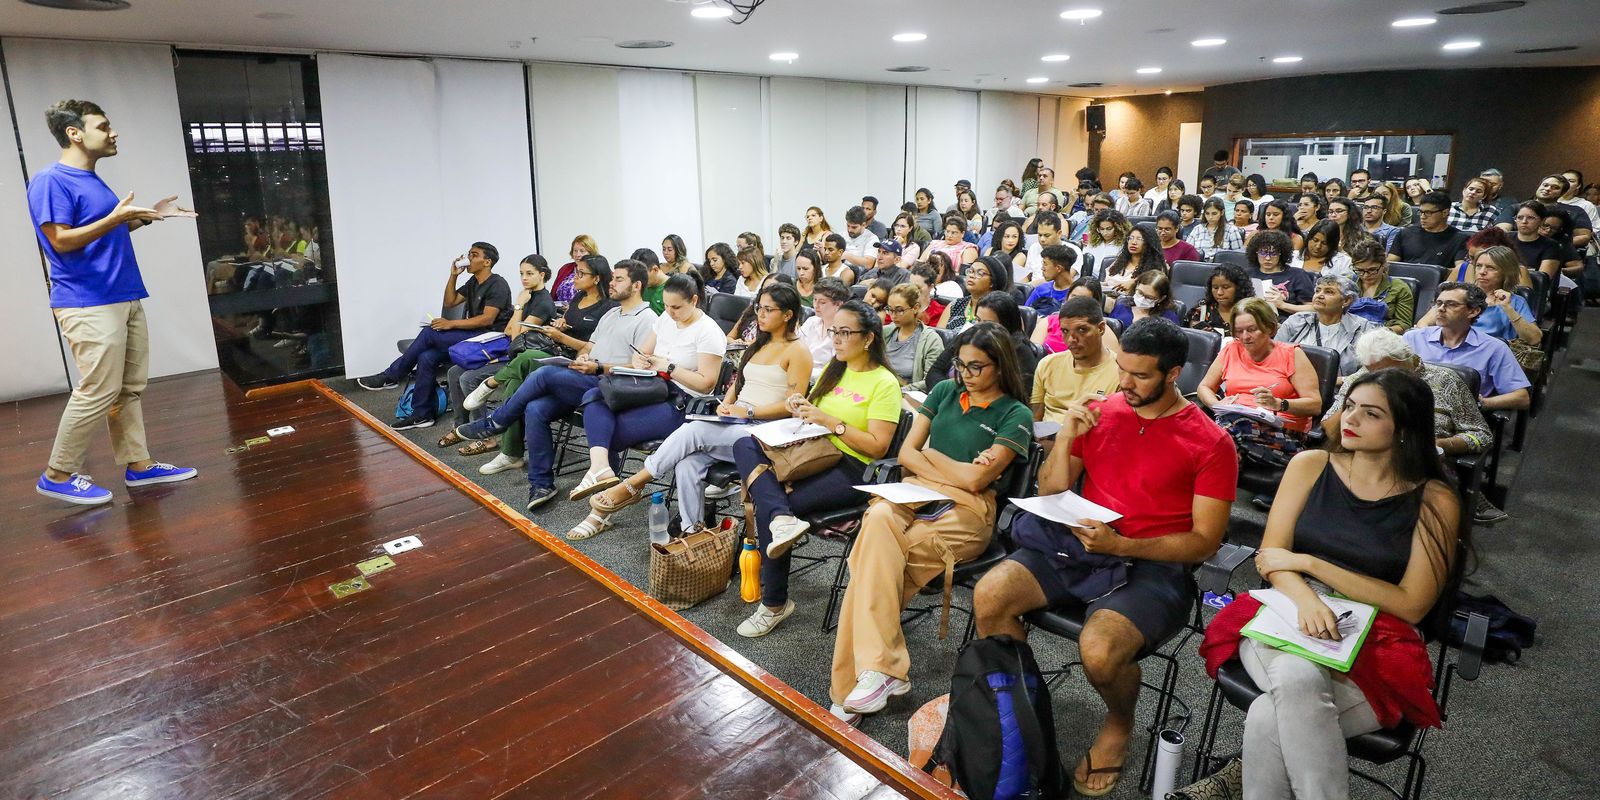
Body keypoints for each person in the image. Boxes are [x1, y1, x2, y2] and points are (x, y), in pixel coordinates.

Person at [973, 318, 1237, 796]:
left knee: (1099, 652)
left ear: (1174, 374)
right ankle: (1022, 710)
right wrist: (1070, 434)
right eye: (1122, 370)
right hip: (1078, 543)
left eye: (1140, 376)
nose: (1125, 384)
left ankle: (1119, 723)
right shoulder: (1104, 411)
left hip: (1150, 563)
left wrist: (1124, 545)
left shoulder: (1211, 443)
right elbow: (1052, 488)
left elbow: (1204, 543)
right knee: (990, 596)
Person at [1203, 367, 1459, 797]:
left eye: (1371, 413)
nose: (1350, 420)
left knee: (1270, 715)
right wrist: (1307, 597)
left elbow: (1412, 604)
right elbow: (1271, 560)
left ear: (1404, 429)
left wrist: (1312, 564)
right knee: (1299, 679)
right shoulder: (1310, 465)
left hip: (1378, 633)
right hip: (1287, 609)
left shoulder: (1435, 499)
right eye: (1350, 406)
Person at [830, 322, 1033, 725]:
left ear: (1000, 366)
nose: (966, 375)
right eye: (961, 365)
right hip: (915, 492)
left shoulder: (1015, 413)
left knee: (873, 562)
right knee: (879, 515)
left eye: (977, 367)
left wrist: (934, 458)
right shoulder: (944, 392)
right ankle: (881, 671)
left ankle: (855, 683)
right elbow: (906, 452)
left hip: (968, 510)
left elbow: (975, 482)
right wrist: (952, 466)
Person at [28, 99, 200, 504]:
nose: (113, 132)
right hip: (88, 302)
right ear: (75, 133)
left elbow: (99, 237)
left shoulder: (91, 180)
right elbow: (59, 241)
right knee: (97, 390)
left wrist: (145, 217)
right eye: (103, 126)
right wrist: (116, 218)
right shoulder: (52, 180)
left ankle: (138, 466)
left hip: (123, 294)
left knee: (128, 389)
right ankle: (57, 474)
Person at [584, 283, 811, 537]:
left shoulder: (798, 351)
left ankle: (633, 484)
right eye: (759, 308)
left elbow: (792, 406)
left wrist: (748, 412)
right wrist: (726, 404)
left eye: (769, 310)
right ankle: (692, 534)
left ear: (788, 315)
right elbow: (738, 383)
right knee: (687, 464)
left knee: (695, 431)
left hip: (765, 431)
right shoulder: (759, 344)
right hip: (737, 422)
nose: (760, 315)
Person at [733, 300, 903, 639]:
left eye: (844, 333)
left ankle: (774, 603)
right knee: (743, 444)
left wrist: (831, 422)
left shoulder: (884, 383)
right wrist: (802, 407)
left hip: (853, 467)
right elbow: (814, 411)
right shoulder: (835, 369)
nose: (835, 339)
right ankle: (782, 518)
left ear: (868, 338)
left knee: (773, 505)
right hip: (812, 450)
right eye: (833, 331)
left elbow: (877, 447)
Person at [453, 260, 658, 511]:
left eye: (618, 279)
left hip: (614, 386)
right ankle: (541, 484)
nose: (611, 283)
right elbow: (589, 347)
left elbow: (639, 366)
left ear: (637, 285)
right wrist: (584, 356)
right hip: (590, 378)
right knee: (535, 409)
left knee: (545, 374)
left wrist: (598, 366)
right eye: (612, 278)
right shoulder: (612, 313)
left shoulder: (647, 319)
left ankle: (497, 421)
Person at [559, 271, 726, 537]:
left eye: (677, 307)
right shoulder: (665, 319)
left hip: (680, 403)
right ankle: (600, 467)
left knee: (605, 430)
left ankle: (599, 510)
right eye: (667, 306)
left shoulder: (708, 332)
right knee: (594, 396)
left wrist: (669, 367)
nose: (670, 312)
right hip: (650, 386)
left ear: (694, 300)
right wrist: (641, 361)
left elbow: (706, 383)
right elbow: (643, 353)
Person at [1323, 327, 1501, 524]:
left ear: (1406, 360)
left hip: (1422, 465)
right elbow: (1330, 428)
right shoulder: (1361, 379)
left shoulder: (1445, 381)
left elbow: (1482, 434)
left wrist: (1442, 443)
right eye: (1369, 369)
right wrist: (1354, 403)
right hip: (1364, 459)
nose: (1376, 377)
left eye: (1383, 370)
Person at [460, 256, 617, 473]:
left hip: (579, 363)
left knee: (526, 358)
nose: (574, 278)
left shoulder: (608, 308)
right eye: (575, 272)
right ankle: (510, 453)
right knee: (516, 382)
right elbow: (516, 334)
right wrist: (561, 327)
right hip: (557, 352)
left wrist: (561, 337)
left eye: (581, 273)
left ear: (597, 278)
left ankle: (491, 386)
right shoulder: (578, 297)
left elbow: (594, 347)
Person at [358, 242, 513, 429]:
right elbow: (450, 302)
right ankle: (422, 414)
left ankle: (392, 375)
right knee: (427, 356)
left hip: (489, 340)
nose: (468, 259)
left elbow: (487, 320)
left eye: (474, 255)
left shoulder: (498, 284)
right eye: (469, 254)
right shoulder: (473, 282)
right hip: (472, 337)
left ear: (487, 262)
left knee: (429, 333)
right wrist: (453, 276)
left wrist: (451, 324)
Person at [443, 254, 556, 450]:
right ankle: (461, 427)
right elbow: (508, 330)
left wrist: (519, 307)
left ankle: (486, 438)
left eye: (530, 274)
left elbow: (516, 339)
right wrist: (519, 312)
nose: (524, 278)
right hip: (512, 354)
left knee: (468, 378)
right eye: (522, 273)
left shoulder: (542, 302)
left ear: (542, 275)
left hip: (524, 361)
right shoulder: (528, 296)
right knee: (454, 372)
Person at [1198, 297, 1323, 461]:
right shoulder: (1231, 349)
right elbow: (1204, 387)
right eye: (1238, 331)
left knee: (1219, 436)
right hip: (1234, 425)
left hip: (1285, 433)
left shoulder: (1292, 354)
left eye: (1251, 329)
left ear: (1270, 328)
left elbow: (1315, 405)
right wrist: (1216, 404)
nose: (1245, 337)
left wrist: (1278, 403)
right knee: (1228, 444)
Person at [1404, 283, 1531, 411]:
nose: (1441, 309)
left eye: (1451, 304)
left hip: (1460, 418)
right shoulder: (1413, 338)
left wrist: (1481, 403)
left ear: (1473, 311)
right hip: (1412, 411)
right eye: (1439, 303)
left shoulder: (1494, 348)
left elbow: (1521, 397)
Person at [1418, 246, 1539, 347]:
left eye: (1490, 268)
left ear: (1505, 272)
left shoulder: (1516, 302)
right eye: (1479, 266)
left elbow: (1534, 339)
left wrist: (1508, 309)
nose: (1482, 272)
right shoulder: (1458, 294)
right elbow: (1423, 324)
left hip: (1488, 356)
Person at [1030, 295, 1120, 424]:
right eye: (1065, 331)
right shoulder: (1048, 364)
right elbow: (1035, 419)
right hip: (1046, 441)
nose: (1071, 339)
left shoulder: (1121, 373)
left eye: (1082, 330)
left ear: (1101, 328)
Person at [1275, 275, 1376, 375]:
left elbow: (1373, 368)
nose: (1319, 295)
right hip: (1293, 385)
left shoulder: (1362, 327)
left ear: (1346, 300)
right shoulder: (1296, 321)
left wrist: (1336, 382)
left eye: (1329, 292)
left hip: (1341, 389)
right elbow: (1274, 356)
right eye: (1317, 291)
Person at [1389, 191, 1470, 270]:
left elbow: (1460, 270)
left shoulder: (1460, 239)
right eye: (1420, 212)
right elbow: (1391, 262)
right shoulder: (1405, 233)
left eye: (1428, 212)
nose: (1422, 217)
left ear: (1445, 212)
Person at [883, 283, 945, 386]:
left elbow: (930, 381)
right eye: (890, 309)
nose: (893, 315)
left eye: (899, 310)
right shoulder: (884, 332)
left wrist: (901, 391)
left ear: (915, 308)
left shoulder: (931, 340)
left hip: (906, 395)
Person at [1247, 229, 1316, 315]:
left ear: (1282, 254)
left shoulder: (1297, 275)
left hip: (1287, 323)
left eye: (1273, 253)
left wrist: (1282, 305)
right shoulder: (1247, 275)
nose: (1268, 258)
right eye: (1263, 253)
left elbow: (1313, 308)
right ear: (1255, 253)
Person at [937, 254, 1010, 333]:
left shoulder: (1001, 309)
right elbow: (940, 336)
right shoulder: (956, 305)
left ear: (992, 282)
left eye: (980, 273)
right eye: (970, 271)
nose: (971, 275)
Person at [1185, 263, 1254, 336]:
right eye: (1215, 288)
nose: (1219, 293)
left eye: (1226, 287)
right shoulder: (1201, 310)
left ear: (1239, 288)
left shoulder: (1252, 311)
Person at [1103, 222, 1167, 297]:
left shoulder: (1156, 266)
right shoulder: (1120, 260)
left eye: (1139, 239)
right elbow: (1107, 281)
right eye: (1131, 238)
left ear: (1149, 242)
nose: (1133, 242)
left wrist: (1134, 283)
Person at [798, 276, 851, 369]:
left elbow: (835, 369)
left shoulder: (843, 331)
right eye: (815, 300)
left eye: (822, 302)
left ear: (838, 304)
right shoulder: (811, 321)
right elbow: (796, 347)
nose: (816, 305)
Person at [1504, 201, 1562, 281]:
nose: (1524, 221)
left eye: (1530, 218)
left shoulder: (1551, 246)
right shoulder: (1504, 238)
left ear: (1542, 221)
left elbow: (1541, 279)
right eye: (1520, 217)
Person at [1109, 270, 1181, 329]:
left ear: (1161, 299)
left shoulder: (1168, 318)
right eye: (1140, 293)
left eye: (1149, 297)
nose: (1142, 299)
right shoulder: (1122, 306)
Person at [1025, 244, 1080, 316]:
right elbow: (1025, 315)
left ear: (1058, 268)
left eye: (1045, 264)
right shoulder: (1041, 289)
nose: (1042, 268)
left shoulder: (1077, 294)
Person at [552, 235, 600, 303]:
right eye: (575, 251)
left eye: (582, 251)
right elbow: (553, 294)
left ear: (591, 252)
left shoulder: (599, 269)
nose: (578, 254)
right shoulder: (565, 268)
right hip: (560, 311)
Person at [1083, 209, 1129, 277]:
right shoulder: (1092, 242)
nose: (1105, 233)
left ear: (1118, 228)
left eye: (1109, 229)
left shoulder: (1124, 246)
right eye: (1101, 229)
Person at [840, 205, 881, 275]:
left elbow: (869, 264)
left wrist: (846, 255)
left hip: (858, 274)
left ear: (864, 225)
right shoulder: (841, 235)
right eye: (848, 226)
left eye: (854, 227)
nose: (849, 230)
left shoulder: (872, 239)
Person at [910, 263, 947, 328]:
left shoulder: (939, 312)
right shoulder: (901, 305)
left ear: (931, 287)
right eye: (909, 286)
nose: (912, 290)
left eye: (918, 287)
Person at [634, 248, 668, 313]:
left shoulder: (674, 288)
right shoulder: (639, 287)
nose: (639, 280)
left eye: (642, 275)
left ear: (655, 269)